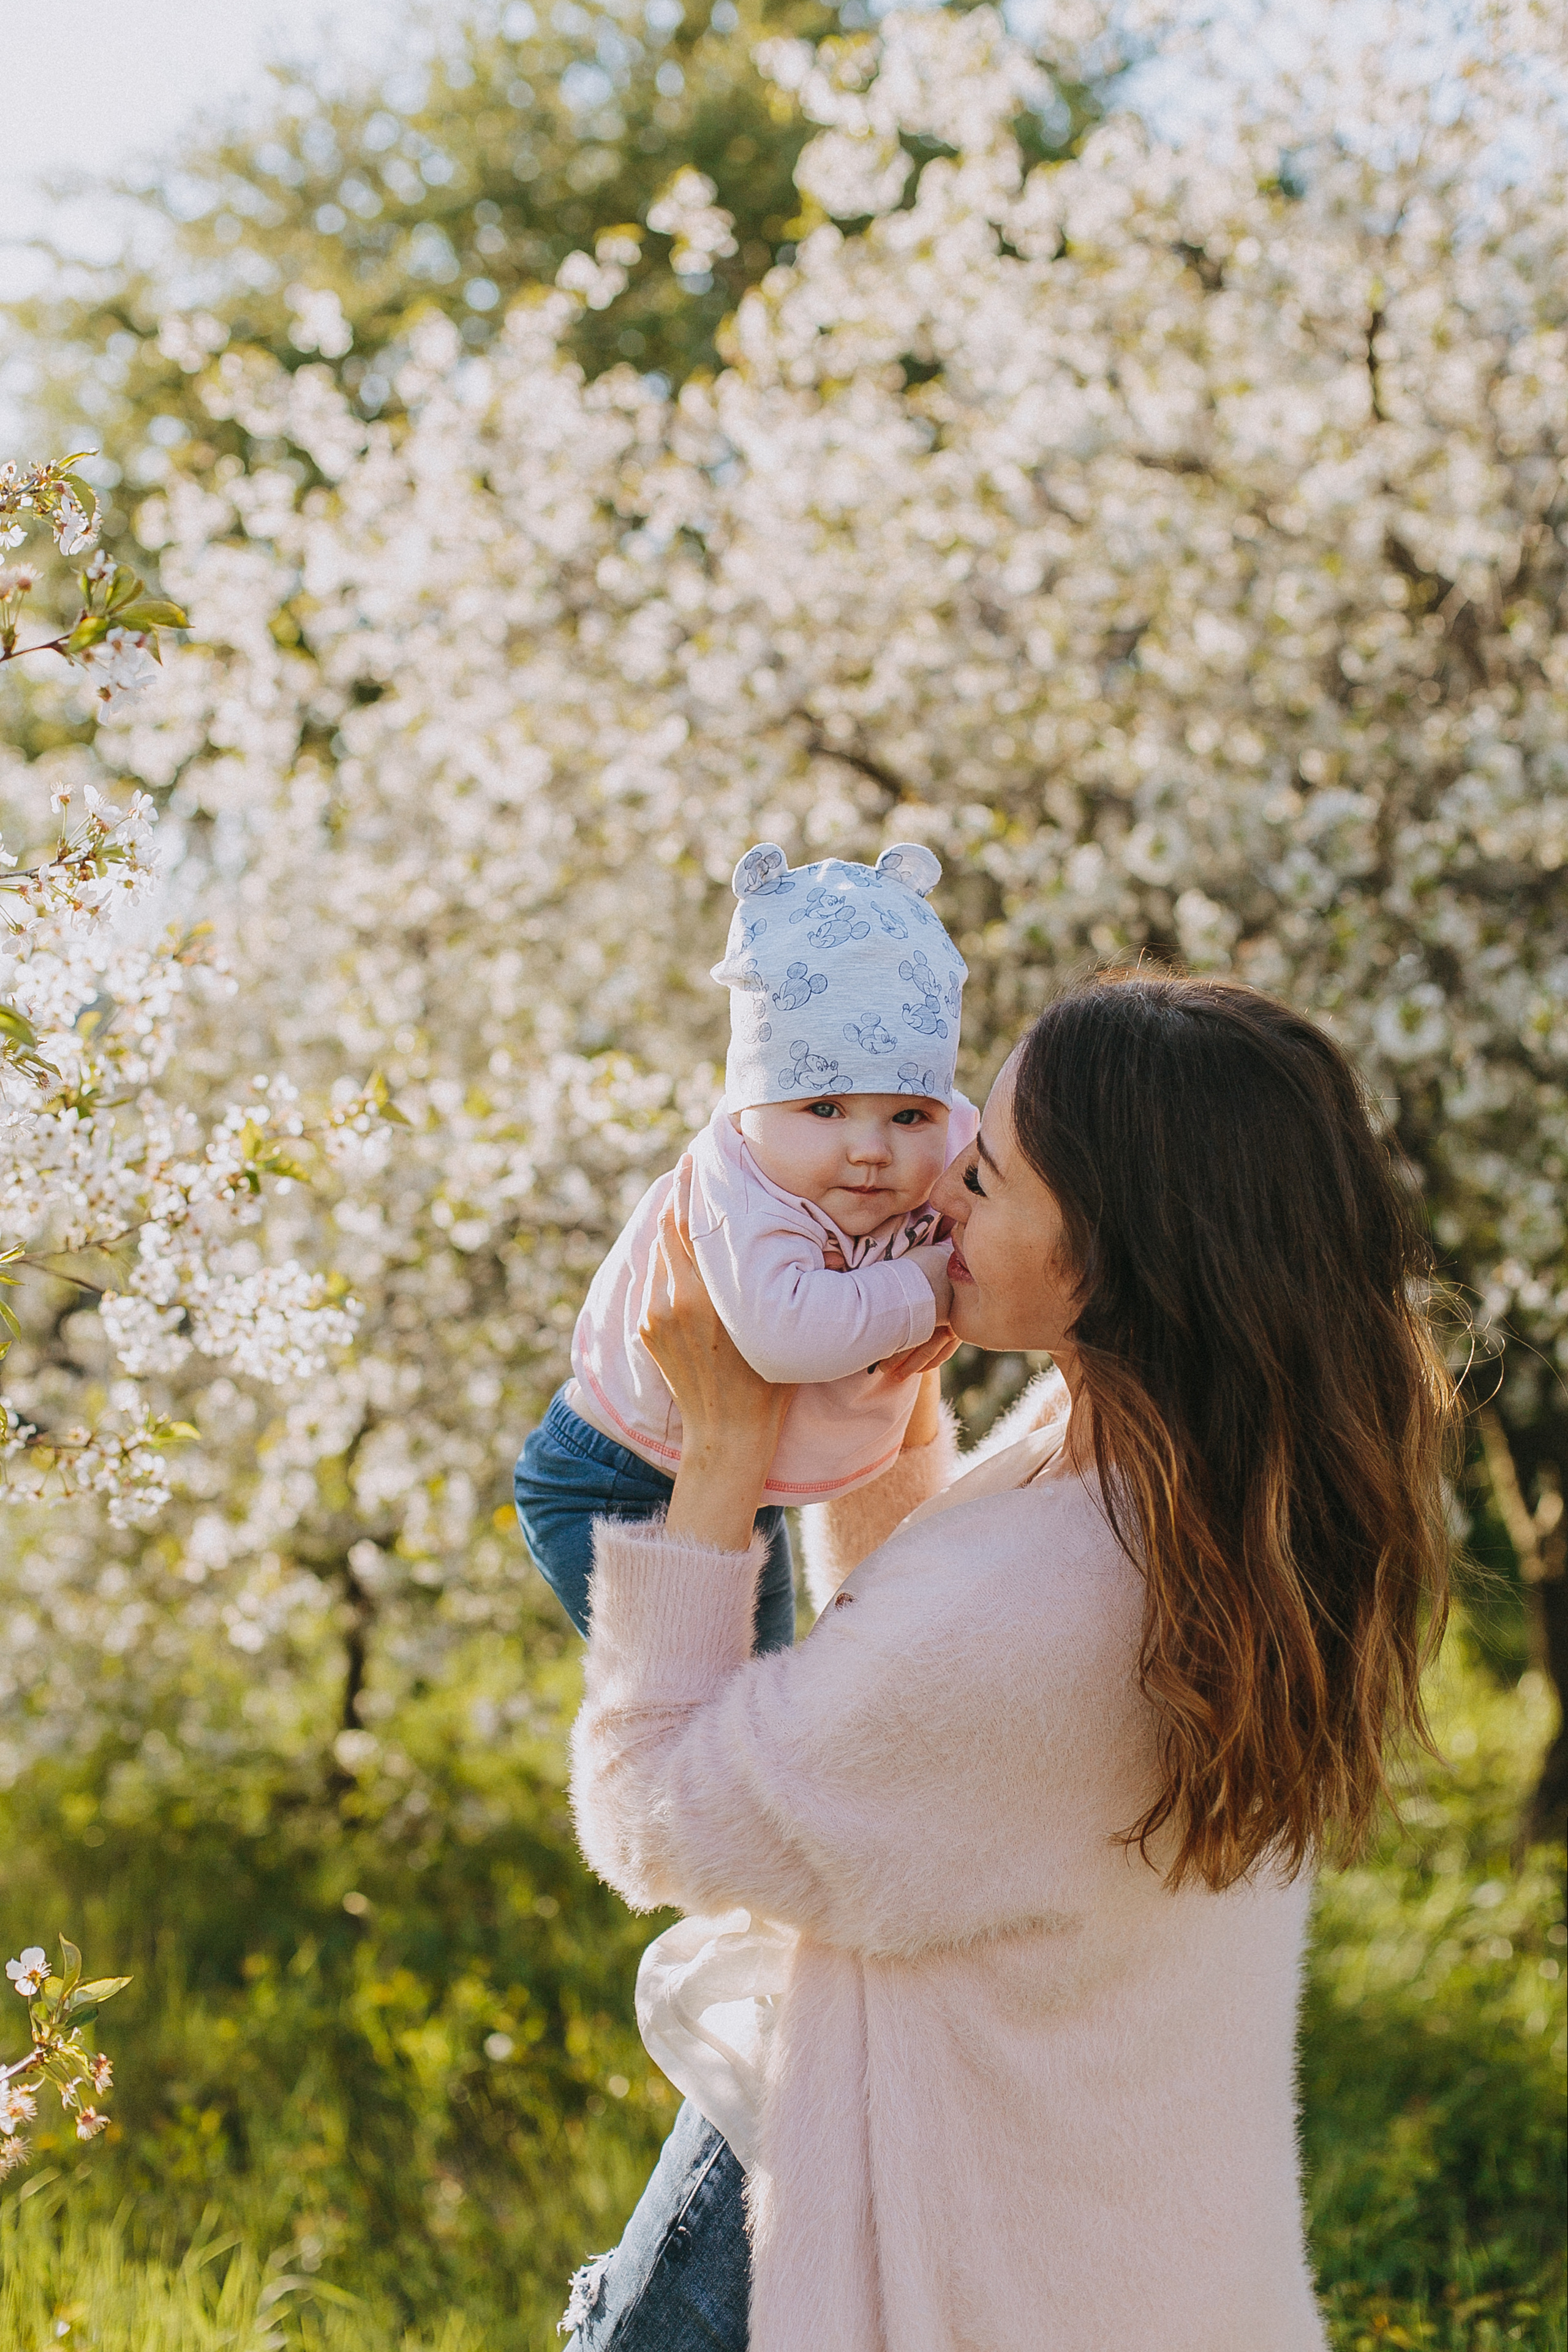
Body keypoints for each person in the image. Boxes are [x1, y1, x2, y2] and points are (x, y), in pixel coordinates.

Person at [557, 970, 1455, 2352]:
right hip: (1120, 2254)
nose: (933, 1188)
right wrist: (889, 1395)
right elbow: (916, 1701)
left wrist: (727, 1453)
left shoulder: (1043, 1603)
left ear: (1113, 1249)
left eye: (986, 1171)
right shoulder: (1194, 1478)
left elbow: (650, 1813)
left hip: (899, 2249)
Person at [514, 839, 975, 1657]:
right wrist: (928, 1287)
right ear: (750, 1102)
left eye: (908, 1115)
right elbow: (783, 1334)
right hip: (613, 1479)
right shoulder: (739, 1190)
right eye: (825, 1108)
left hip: (739, 1469)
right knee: (725, 1697)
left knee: (776, 1689)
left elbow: (990, 1180)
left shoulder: (945, 1144)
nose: (871, 1149)